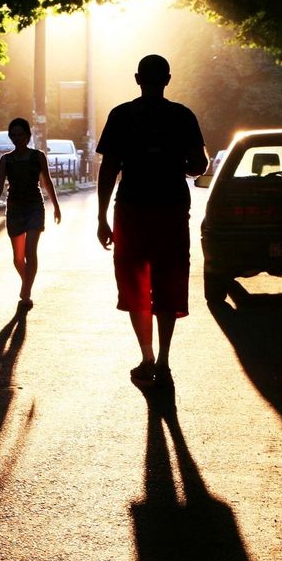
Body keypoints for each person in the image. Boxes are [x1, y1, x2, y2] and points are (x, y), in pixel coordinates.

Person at [96, 54, 208, 387]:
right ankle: (164, 358)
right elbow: (199, 165)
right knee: (168, 282)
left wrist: (102, 217)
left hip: (131, 210)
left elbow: (109, 168)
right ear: (168, 79)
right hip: (171, 209)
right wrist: (179, 165)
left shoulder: (121, 115)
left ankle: (146, 356)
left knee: (134, 284)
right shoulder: (182, 116)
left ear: (137, 79)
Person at [0, 117, 61, 310]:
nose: (17, 138)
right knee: (18, 257)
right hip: (14, 208)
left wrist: (56, 206)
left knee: (31, 251)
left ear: (28, 136)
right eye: (13, 135)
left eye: (20, 134)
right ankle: (26, 282)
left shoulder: (37, 156)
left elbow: (47, 181)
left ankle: (26, 291)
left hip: (34, 207)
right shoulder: (6, 160)